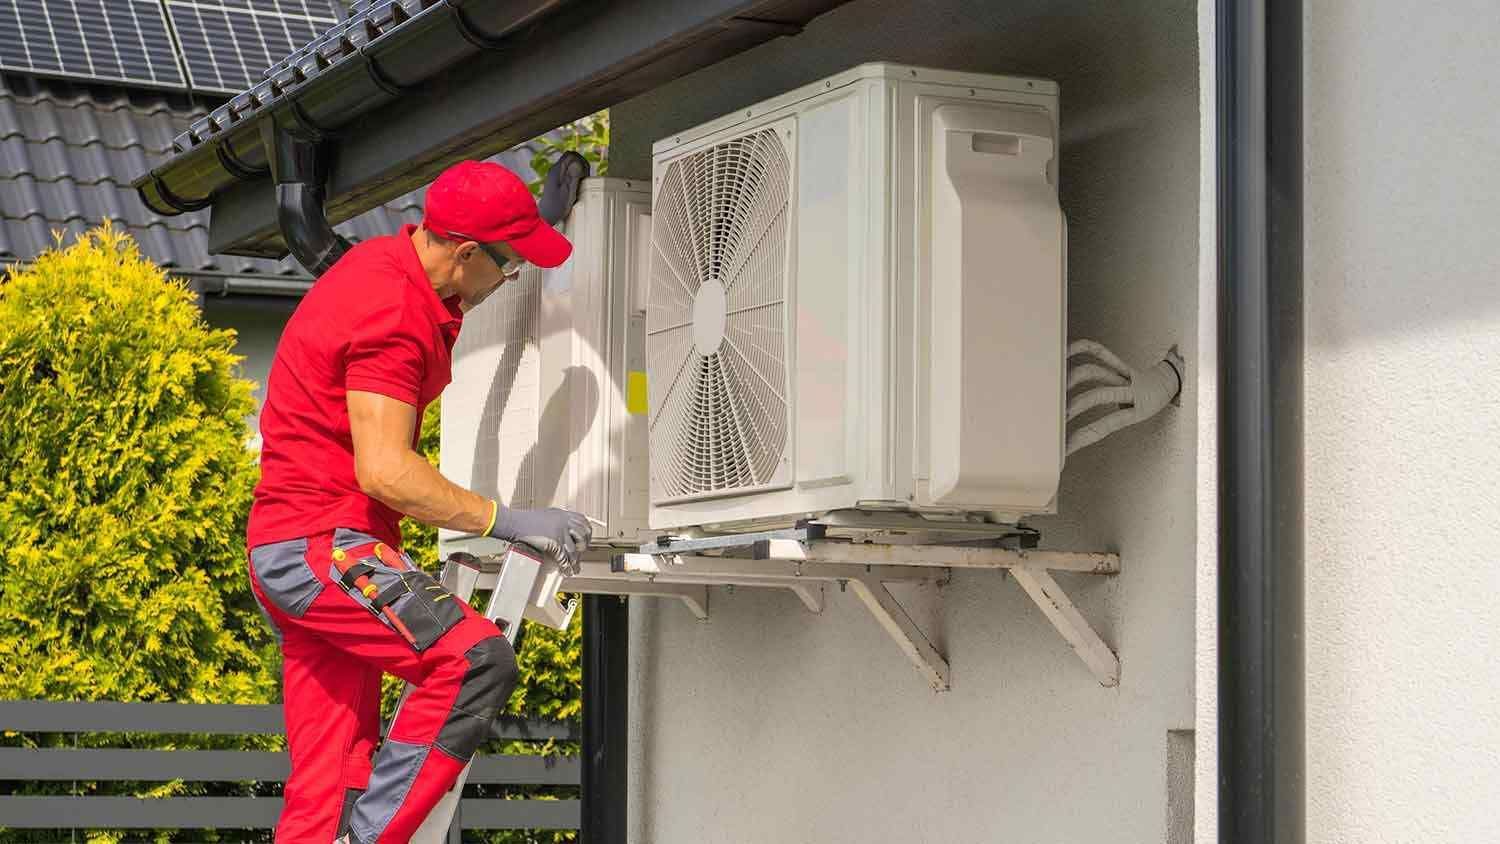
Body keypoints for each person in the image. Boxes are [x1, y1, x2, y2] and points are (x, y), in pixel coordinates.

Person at [244, 160, 592, 843]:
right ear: (465, 253)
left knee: (333, 777)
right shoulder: (394, 316)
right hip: (323, 548)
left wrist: (534, 225)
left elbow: (474, 263)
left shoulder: (390, 267)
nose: (513, 277)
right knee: (471, 661)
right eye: (510, 263)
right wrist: (507, 520)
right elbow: (387, 472)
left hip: (289, 549)